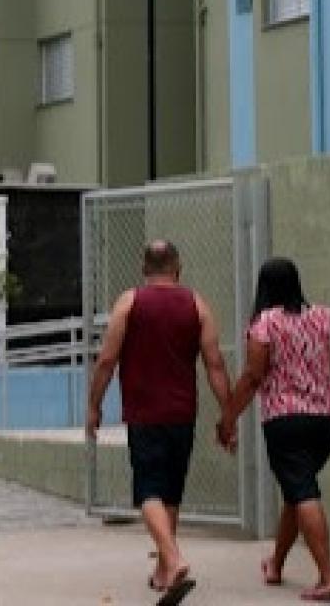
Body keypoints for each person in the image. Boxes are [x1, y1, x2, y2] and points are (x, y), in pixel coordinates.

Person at [86, 240, 232, 605]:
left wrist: (94, 406)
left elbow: (106, 361)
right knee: (170, 492)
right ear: (177, 266)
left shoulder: (128, 303)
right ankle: (164, 572)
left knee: (148, 491)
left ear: (144, 268)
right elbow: (215, 365)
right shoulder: (196, 304)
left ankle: (176, 559)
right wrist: (227, 415)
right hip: (182, 414)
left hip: (145, 413)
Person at [218, 257, 330, 604]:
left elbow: (254, 376)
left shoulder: (265, 323)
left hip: (286, 420)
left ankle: (328, 577)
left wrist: (228, 419)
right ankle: (276, 564)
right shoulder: (329, 316)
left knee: (302, 491)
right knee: (296, 490)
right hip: (328, 419)